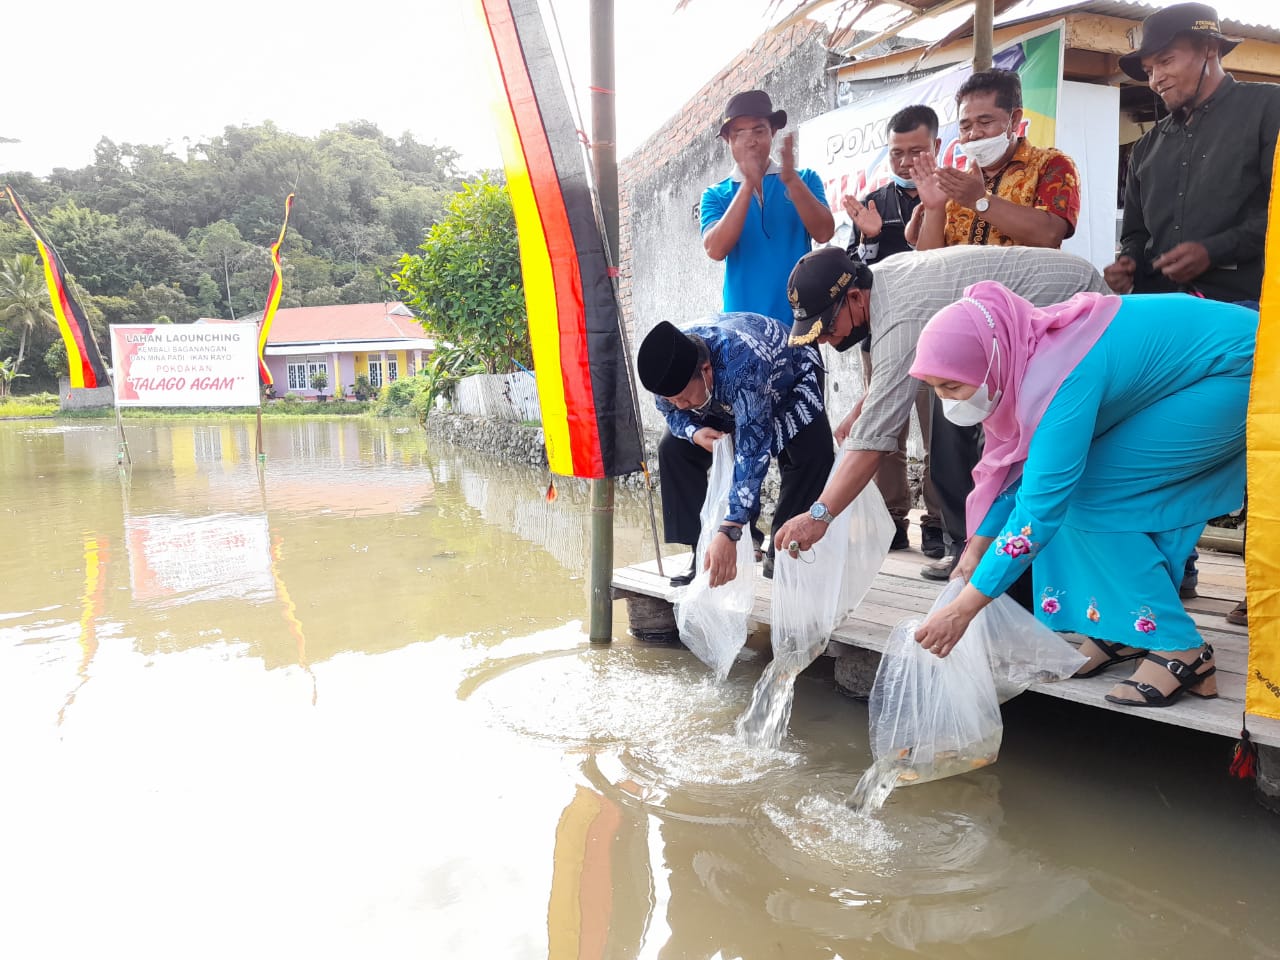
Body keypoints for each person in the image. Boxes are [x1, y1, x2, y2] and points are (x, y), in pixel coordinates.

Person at [908, 283, 1254, 708]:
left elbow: (1039, 508)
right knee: (1074, 489)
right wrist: (975, 548)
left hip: (1240, 367)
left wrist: (964, 608)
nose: (948, 403)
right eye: (936, 388)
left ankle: (1180, 647)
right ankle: (1124, 628)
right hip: (1200, 371)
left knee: (1089, 495)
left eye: (953, 387)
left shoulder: (1058, 378)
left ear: (992, 359)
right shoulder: (1023, 357)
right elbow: (1022, 475)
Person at [774, 245, 1107, 590]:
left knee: (1029, 456)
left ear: (855, 297)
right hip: (1037, 318)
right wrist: (861, 409)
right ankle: (980, 556)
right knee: (959, 442)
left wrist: (820, 516)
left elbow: (872, 442)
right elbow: (883, 396)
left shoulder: (900, 320)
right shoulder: (883, 280)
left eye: (826, 329)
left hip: (1074, 309)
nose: (827, 341)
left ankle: (1027, 571)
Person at [1103, 2, 1280, 626]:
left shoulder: (1268, 108)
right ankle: (1174, 573)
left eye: (1166, 60)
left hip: (1253, 308)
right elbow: (1139, 233)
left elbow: (1277, 210)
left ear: (1209, 51)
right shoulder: (1150, 145)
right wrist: (1127, 263)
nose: (1155, 77)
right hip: (1172, 325)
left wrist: (1216, 249)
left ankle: (1267, 589)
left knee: (1263, 449)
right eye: (1149, 67)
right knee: (1172, 448)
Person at [637, 315, 833, 587]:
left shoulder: (744, 364)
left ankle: (783, 552)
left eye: (683, 397)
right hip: (720, 395)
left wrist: (730, 530)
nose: (680, 405)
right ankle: (701, 551)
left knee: (810, 457)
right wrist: (694, 433)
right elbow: (671, 412)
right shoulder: (668, 364)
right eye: (673, 399)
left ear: (705, 370)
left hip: (790, 380)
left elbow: (752, 453)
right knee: (673, 448)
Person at [843, 104, 946, 558]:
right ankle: (891, 521)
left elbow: (937, 265)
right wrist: (868, 240)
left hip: (942, 337)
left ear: (938, 147)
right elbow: (851, 278)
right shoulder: (874, 203)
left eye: (916, 151)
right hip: (883, 339)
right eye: (897, 153)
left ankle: (940, 523)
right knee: (887, 430)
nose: (906, 162)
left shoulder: (953, 195)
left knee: (941, 432)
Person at [909, 69, 1081, 252]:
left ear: (1014, 120)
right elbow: (929, 264)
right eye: (965, 126)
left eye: (985, 122)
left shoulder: (1051, 164)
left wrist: (979, 200)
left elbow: (1050, 234)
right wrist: (934, 209)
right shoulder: (956, 185)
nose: (973, 134)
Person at [701, 90, 835, 325]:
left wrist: (792, 182)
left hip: (800, 322)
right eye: (739, 133)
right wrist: (748, 185)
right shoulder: (715, 195)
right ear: (728, 141)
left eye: (759, 130)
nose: (750, 140)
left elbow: (824, 233)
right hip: (742, 328)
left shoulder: (804, 178)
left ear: (773, 132)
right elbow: (715, 250)